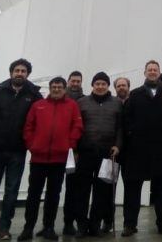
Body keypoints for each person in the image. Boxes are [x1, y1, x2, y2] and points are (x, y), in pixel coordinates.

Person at [0, 59, 42, 242]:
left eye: (23, 71)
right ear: (11, 72)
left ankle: (4, 228)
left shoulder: (34, 94)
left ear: (27, 74)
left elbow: (38, 120)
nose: (19, 73)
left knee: (11, 191)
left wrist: (26, 141)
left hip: (18, 151)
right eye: (16, 70)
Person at [121, 60, 162, 236]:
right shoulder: (135, 94)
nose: (153, 72)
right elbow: (127, 120)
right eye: (150, 69)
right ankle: (129, 224)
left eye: (155, 70)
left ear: (159, 73)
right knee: (132, 189)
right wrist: (133, 134)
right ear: (145, 72)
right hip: (137, 151)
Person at [18, 77, 83, 241]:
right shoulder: (38, 105)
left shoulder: (72, 106)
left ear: (64, 88)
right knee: (33, 194)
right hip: (38, 159)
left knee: (53, 195)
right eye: (53, 87)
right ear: (50, 88)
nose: (56, 89)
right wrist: (32, 145)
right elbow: (28, 127)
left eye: (59, 87)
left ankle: (49, 227)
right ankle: (28, 227)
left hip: (59, 159)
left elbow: (77, 126)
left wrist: (70, 143)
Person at [74, 72, 123, 237]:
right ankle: (82, 225)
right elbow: (76, 127)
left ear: (108, 86)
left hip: (107, 153)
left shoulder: (117, 103)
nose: (100, 86)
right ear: (92, 85)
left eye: (103, 84)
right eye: (97, 84)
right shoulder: (81, 102)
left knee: (102, 192)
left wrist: (117, 145)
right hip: (85, 152)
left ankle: (95, 224)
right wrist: (75, 149)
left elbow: (120, 128)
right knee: (82, 190)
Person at [63, 71, 85, 235]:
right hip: (60, 149)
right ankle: (65, 222)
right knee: (57, 188)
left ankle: (74, 223)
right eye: (73, 81)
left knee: (75, 188)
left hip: (78, 151)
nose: (75, 83)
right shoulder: (61, 99)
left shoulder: (84, 100)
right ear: (68, 81)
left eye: (78, 81)